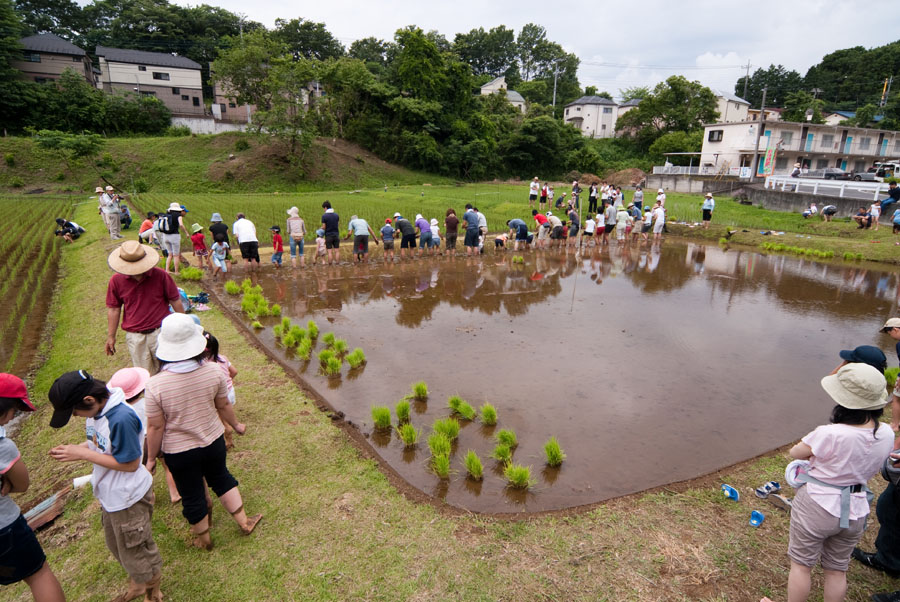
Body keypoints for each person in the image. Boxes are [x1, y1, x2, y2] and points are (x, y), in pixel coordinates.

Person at [760, 363, 893, 602]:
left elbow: (796, 453)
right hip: (856, 508)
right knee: (837, 569)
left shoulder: (830, 433)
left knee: (801, 565)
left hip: (818, 505)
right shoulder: (886, 433)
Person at [144, 314, 261, 551]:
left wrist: (150, 458)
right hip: (213, 441)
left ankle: (204, 540)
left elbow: (156, 426)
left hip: (179, 452)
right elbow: (223, 405)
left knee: (191, 492)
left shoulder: (155, 385)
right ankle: (244, 522)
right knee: (222, 478)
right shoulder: (213, 371)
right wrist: (236, 426)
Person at [48, 370, 163, 602]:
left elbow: (131, 464)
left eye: (74, 412)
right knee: (118, 546)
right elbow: (102, 444)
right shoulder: (98, 412)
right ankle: (139, 583)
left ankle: (153, 593)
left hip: (128, 497)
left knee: (138, 550)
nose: (77, 417)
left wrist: (83, 454)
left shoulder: (120, 419)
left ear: (89, 400)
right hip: (111, 496)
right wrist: (78, 447)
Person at [0, 374, 66, 602]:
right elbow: (22, 484)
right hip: (4, 528)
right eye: (15, 411)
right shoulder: (3, 446)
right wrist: (7, 481)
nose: (11, 418)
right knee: (38, 574)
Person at [106, 240, 184, 374]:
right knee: (146, 376)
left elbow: (175, 300)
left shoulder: (160, 275)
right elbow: (114, 309)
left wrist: (184, 325)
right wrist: (111, 336)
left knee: (170, 372)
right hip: (136, 337)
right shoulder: (116, 281)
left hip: (161, 332)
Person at [202, 332, 238, 448]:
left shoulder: (205, 365)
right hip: (230, 392)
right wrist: (228, 381)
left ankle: (228, 432)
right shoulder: (223, 358)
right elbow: (234, 372)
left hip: (219, 395)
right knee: (225, 410)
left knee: (220, 417)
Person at [157, 203, 186, 274]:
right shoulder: (178, 216)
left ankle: (167, 270)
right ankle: (176, 271)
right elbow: (181, 225)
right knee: (176, 255)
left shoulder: (165, 215)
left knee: (170, 254)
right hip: (174, 236)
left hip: (165, 236)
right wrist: (186, 232)